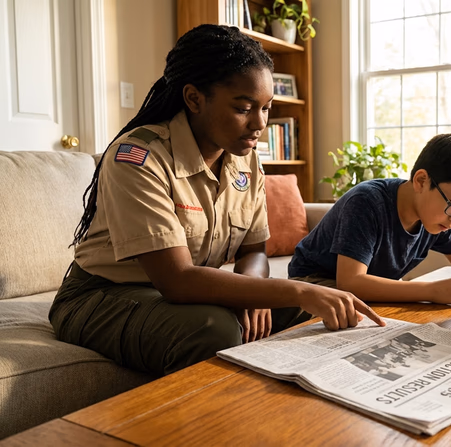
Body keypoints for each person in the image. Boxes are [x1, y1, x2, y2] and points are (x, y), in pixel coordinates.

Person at [48, 24, 383, 377]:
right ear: (194, 99)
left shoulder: (245, 160)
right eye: (244, 108)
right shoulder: (138, 158)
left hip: (184, 295)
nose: (259, 124)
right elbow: (177, 280)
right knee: (215, 328)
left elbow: (254, 251)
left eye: (266, 108)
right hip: (103, 296)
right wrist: (279, 292)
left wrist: (255, 293)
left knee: (319, 304)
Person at [288, 133, 451, 304]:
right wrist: (433, 291)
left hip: (360, 286)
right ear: (421, 181)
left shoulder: (438, 218)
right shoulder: (367, 202)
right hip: (314, 283)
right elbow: (351, 282)